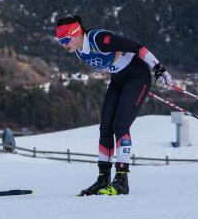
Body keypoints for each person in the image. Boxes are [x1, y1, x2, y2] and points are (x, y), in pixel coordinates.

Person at [55, 14, 173, 196]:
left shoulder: (99, 39)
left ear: (76, 33)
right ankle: (103, 179)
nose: (63, 44)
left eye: (65, 39)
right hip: (118, 81)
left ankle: (121, 180)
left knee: (121, 125)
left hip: (137, 77)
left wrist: (158, 68)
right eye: (60, 40)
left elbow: (136, 47)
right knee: (105, 128)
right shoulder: (78, 50)